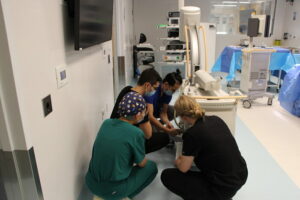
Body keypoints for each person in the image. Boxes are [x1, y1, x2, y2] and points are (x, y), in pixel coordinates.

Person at [161, 95, 248, 200]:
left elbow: (183, 168)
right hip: (241, 175)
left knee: (167, 175)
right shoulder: (216, 119)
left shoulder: (191, 134)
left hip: (222, 188)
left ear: (183, 117)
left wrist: (178, 161)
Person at [86, 92, 158, 200]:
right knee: (151, 167)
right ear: (138, 115)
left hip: (91, 183)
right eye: (144, 112)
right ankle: (124, 196)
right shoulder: (136, 133)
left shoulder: (106, 123)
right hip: (112, 190)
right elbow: (142, 163)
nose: (144, 114)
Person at [111, 68, 170, 154]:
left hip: (114, 132)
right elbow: (148, 135)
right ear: (147, 85)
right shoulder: (140, 102)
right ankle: (134, 154)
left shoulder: (126, 90)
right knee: (164, 138)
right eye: (155, 88)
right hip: (125, 141)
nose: (155, 91)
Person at [144, 69, 183, 138]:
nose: (174, 92)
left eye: (176, 90)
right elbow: (150, 116)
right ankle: (155, 125)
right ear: (166, 84)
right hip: (145, 115)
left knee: (176, 111)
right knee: (153, 136)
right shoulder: (152, 92)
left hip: (156, 111)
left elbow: (163, 113)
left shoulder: (168, 94)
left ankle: (157, 124)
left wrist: (168, 123)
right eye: (173, 89)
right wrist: (166, 130)